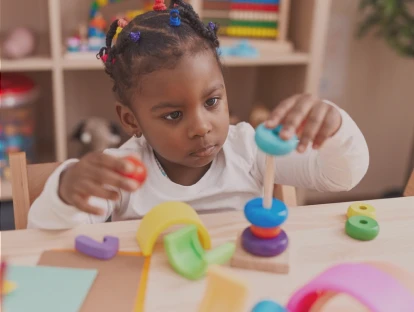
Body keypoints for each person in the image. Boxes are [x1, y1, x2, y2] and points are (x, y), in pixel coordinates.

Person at [28, 0, 369, 229]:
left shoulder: (249, 150)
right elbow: (45, 234)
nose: (202, 127)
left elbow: (342, 176)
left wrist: (334, 127)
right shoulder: (122, 174)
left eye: (211, 102)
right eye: (174, 115)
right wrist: (65, 192)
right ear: (131, 120)